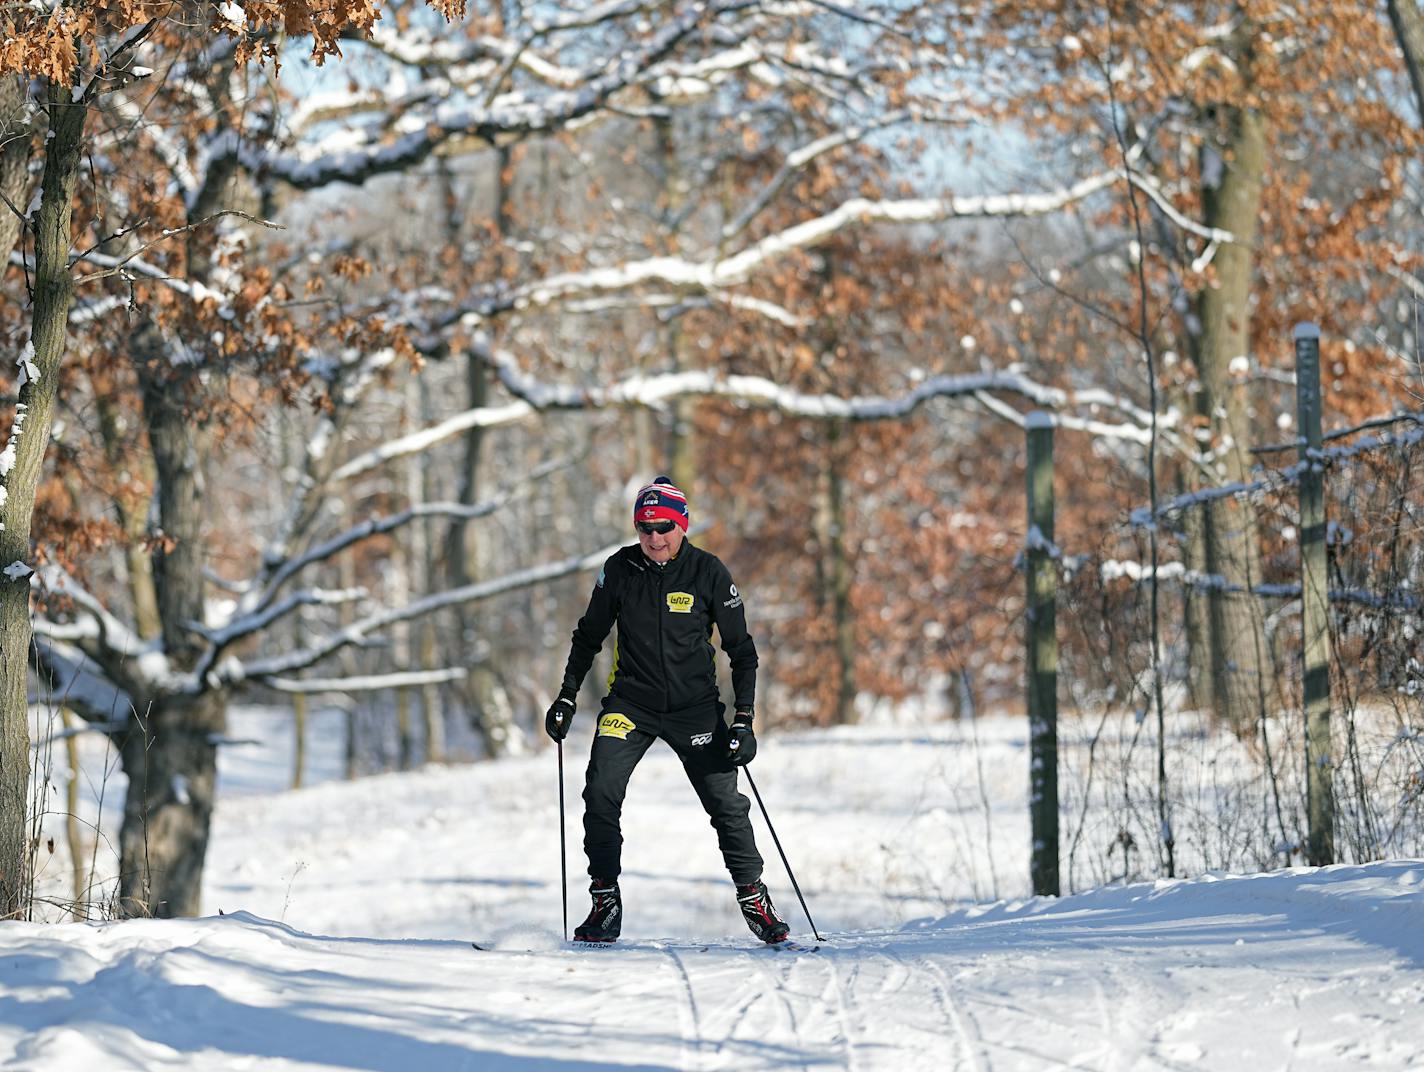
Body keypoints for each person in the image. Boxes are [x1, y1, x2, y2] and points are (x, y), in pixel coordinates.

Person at [544, 476, 791, 944]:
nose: (654, 537)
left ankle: (753, 896)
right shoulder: (619, 569)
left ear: (682, 525)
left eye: (663, 527)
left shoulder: (708, 573)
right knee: (600, 791)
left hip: (694, 710)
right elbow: (588, 635)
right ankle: (604, 901)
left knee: (726, 805)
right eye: (644, 527)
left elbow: (742, 652)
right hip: (630, 705)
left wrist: (743, 721)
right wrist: (567, 695)